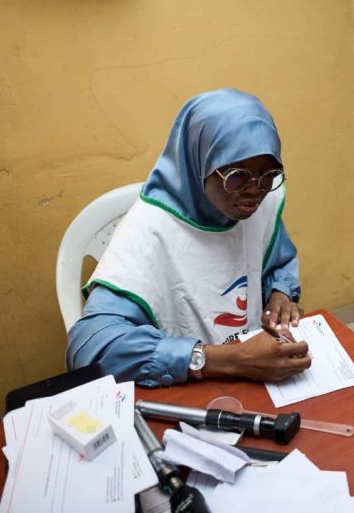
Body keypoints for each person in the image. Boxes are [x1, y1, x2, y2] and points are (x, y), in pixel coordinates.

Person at [66, 88, 311, 387]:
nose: (254, 190)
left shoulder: (256, 204)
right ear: (198, 164)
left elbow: (276, 260)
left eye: (268, 174)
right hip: (188, 388)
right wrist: (225, 360)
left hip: (254, 378)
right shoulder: (150, 230)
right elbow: (91, 348)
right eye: (236, 176)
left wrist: (280, 293)